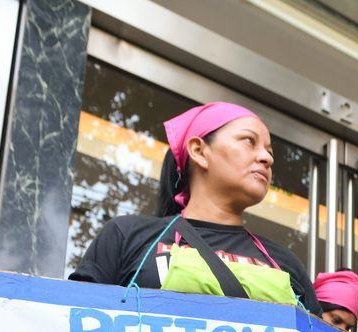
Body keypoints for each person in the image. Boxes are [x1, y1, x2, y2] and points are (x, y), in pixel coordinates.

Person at [70, 102, 319, 310]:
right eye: (249, 141)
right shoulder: (127, 236)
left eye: (269, 150)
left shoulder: (287, 263)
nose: (267, 158)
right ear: (199, 151)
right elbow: (72, 323)